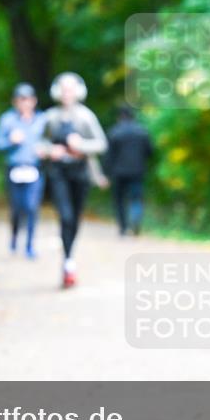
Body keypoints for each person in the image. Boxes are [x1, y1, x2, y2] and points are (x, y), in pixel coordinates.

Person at [38, 72, 108, 288]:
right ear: (58, 92)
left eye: (71, 89)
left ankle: (69, 257)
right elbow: (39, 145)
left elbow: (101, 144)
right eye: (64, 89)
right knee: (65, 216)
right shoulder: (50, 117)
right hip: (58, 174)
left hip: (81, 175)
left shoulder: (86, 117)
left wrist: (80, 145)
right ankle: (68, 263)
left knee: (75, 218)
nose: (67, 93)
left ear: (78, 92)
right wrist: (52, 151)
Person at [0, 83, 46, 259]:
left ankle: (30, 245)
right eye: (21, 99)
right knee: (17, 208)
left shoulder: (42, 120)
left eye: (28, 99)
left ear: (34, 101)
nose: (25, 103)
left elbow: (51, 142)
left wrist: (45, 150)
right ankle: (15, 237)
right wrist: (11, 140)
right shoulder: (7, 120)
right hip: (14, 169)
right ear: (15, 102)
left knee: (32, 207)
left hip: (34, 169)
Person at [105, 106, 154, 236]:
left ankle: (123, 228)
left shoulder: (114, 132)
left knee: (119, 200)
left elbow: (109, 156)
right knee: (136, 198)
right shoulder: (142, 132)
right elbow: (150, 152)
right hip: (137, 171)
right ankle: (135, 220)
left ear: (119, 117)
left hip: (119, 172)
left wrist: (107, 174)